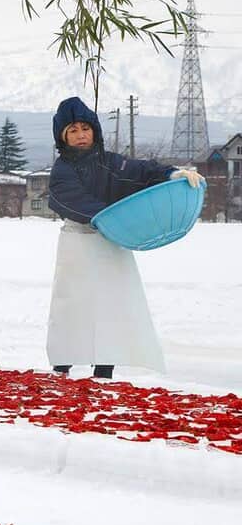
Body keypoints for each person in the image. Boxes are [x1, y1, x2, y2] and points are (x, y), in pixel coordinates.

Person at [44, 96, 202, 379]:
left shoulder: (110, 162)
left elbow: (141, 171)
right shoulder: (62, 170)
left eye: (85, 128)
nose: (81, 135)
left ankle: (105, 368)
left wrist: (172, 174)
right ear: (62, 137)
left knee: (111, 303)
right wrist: (113, 217)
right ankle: (62, 366)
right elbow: (71, 200)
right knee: (72, 304)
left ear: (95, 130)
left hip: (111, 241)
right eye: (73, 131)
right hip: (78, 242)